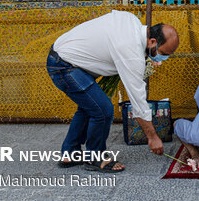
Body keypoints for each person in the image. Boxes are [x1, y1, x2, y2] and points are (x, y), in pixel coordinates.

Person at [46, 10, 179, 172]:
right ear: (152, 41)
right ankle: (95, 158)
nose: (163, 58)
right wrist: (152, 137)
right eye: (163, 53)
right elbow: (137, 99)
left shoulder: (131, 21)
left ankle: (70, 153)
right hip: (64, 65)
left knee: (90, 107)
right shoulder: (130, 51)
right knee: (103, 110)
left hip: (65, 56)